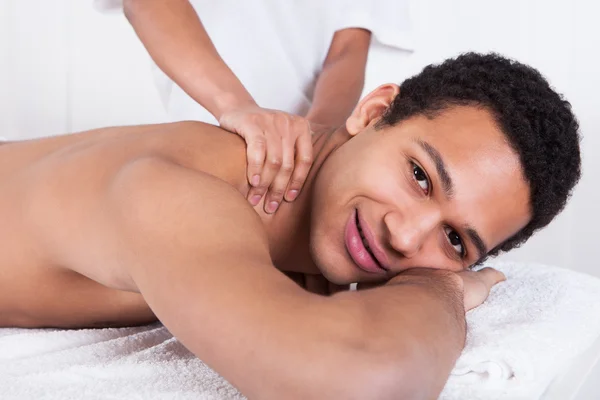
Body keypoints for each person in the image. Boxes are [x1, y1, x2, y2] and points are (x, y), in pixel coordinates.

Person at [0, 53, 581, 399]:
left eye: (455, 241)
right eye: (421, 177)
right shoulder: (182, 194)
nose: (406, 238)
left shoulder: (323, 168)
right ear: (375, 114)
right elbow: (356, 378)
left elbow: (335, 97)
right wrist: (447, 286)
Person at [95, 0, 413, 214]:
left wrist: (314, 144)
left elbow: (348, 47)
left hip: (303, 171)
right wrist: (236, 106)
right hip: (208, 137)